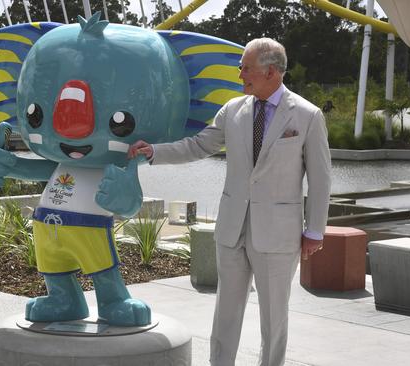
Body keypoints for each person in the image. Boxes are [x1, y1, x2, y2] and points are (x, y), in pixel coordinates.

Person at [128, 38, 331, 366]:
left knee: (274, 318)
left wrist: (316, 231)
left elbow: (321, 180)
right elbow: (198, 146)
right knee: (226, 313)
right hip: (231, 229)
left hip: (278, 235)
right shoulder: (233, 110)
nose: (240, 75)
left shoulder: (308, 116)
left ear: (270, 71)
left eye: (245, 68)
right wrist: (155, 151)